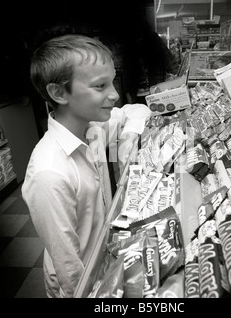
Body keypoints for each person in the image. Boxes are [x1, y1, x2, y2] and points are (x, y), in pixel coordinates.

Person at [21, 34, 151, 298]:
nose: (114, 94)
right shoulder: (50, 173)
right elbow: (69, 271)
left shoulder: (93, 127)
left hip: (104, 260)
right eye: (100, 85)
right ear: (58, 92)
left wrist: (127, 137)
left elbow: (137, 110)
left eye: (112, 80)